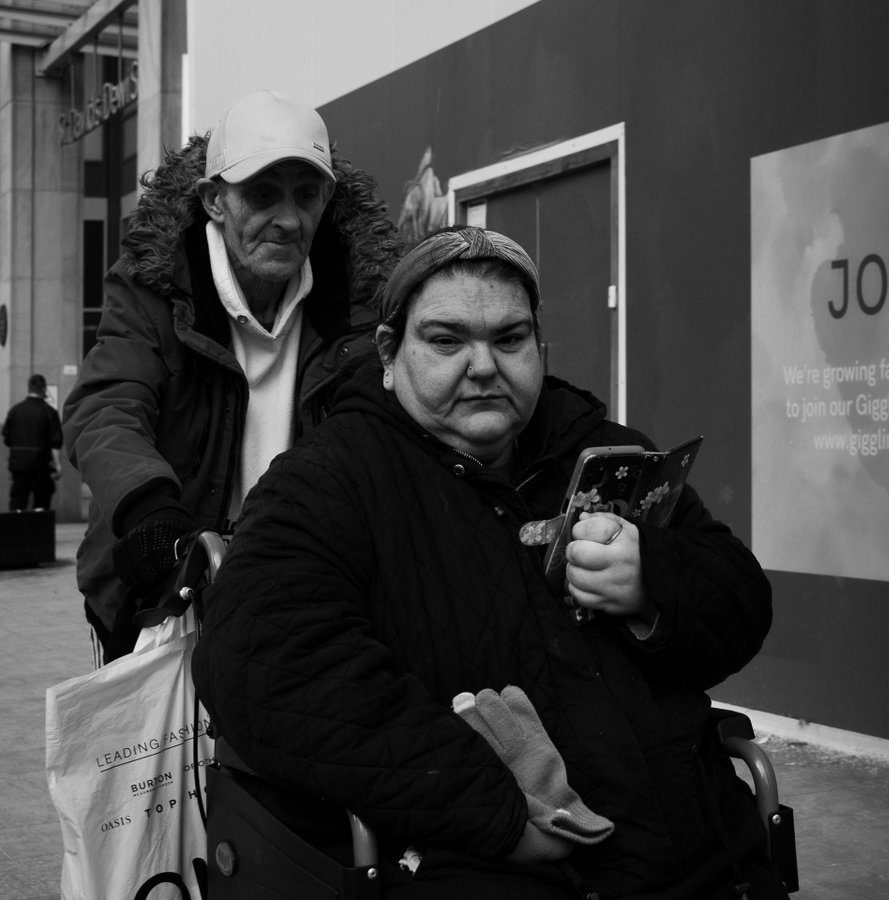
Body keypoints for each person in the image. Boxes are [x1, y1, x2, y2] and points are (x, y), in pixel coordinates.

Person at [193, 226, 782, 899]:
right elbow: (261, 662)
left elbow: (742, 604)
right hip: (500, 871)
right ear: (390, 353)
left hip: (714, 862)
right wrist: (494, 813)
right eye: (446, 341)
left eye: (509, 339)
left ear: (540, 347)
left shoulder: (609, 455)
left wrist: (654, 584)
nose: (483, 366)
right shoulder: (330, 482)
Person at [62, 90, 401, 663]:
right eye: (263, 194)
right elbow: (105, 406)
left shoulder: (365, 305)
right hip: (160, 583)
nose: (288, 219)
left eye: (306, 194)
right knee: (157, 751)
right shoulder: (154, 287)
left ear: (328, 200)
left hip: (298, 584)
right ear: (214, 200)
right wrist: (150, 512)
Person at [3, 373, 64, 511]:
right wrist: (58, 465)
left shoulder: (15, 411)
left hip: (19, 465)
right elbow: (55, 443)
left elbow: (7, 439)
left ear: (29, 388)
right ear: (44, 389)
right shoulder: (49, 412)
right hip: (41, 465)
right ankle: (40, 529)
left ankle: (16, 529)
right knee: (42, 500)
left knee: (18, 500)